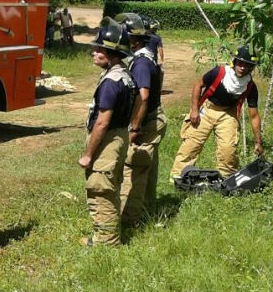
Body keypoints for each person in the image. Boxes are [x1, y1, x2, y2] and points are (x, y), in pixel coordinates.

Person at [78, 18, 137, 246]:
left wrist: (88, 155)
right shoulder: (124, 75)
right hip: (120, 136)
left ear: (112, 53)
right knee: (111, 188)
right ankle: (107, 236)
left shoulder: (111, 83)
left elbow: (102, 122)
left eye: (99, 49)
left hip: (108, 140)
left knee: (100, 189)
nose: (94, 52)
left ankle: (106, 242)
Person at [170, 44, 262, 180]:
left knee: (228, 150)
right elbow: (198, 85)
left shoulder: (250, 86)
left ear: (252, 67)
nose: (242, 68)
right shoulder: (219, 72)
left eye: (247, 65)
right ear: (234, 62)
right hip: (207, 109)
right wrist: (194, 110)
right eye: (240, 63)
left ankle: (226, 181)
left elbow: (254, 116)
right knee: (191, 145)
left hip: (228, 114)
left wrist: (257, 142)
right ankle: (177, 178)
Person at [116, 13, 167, 227]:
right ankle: (147, 210)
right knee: (148, 168)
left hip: (146, 123)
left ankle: (129, 219)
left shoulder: (141, 63)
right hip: (153, 118)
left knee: (134, 169)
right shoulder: (144, 57)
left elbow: (143, 95)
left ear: (133, 40)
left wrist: (135, 127)